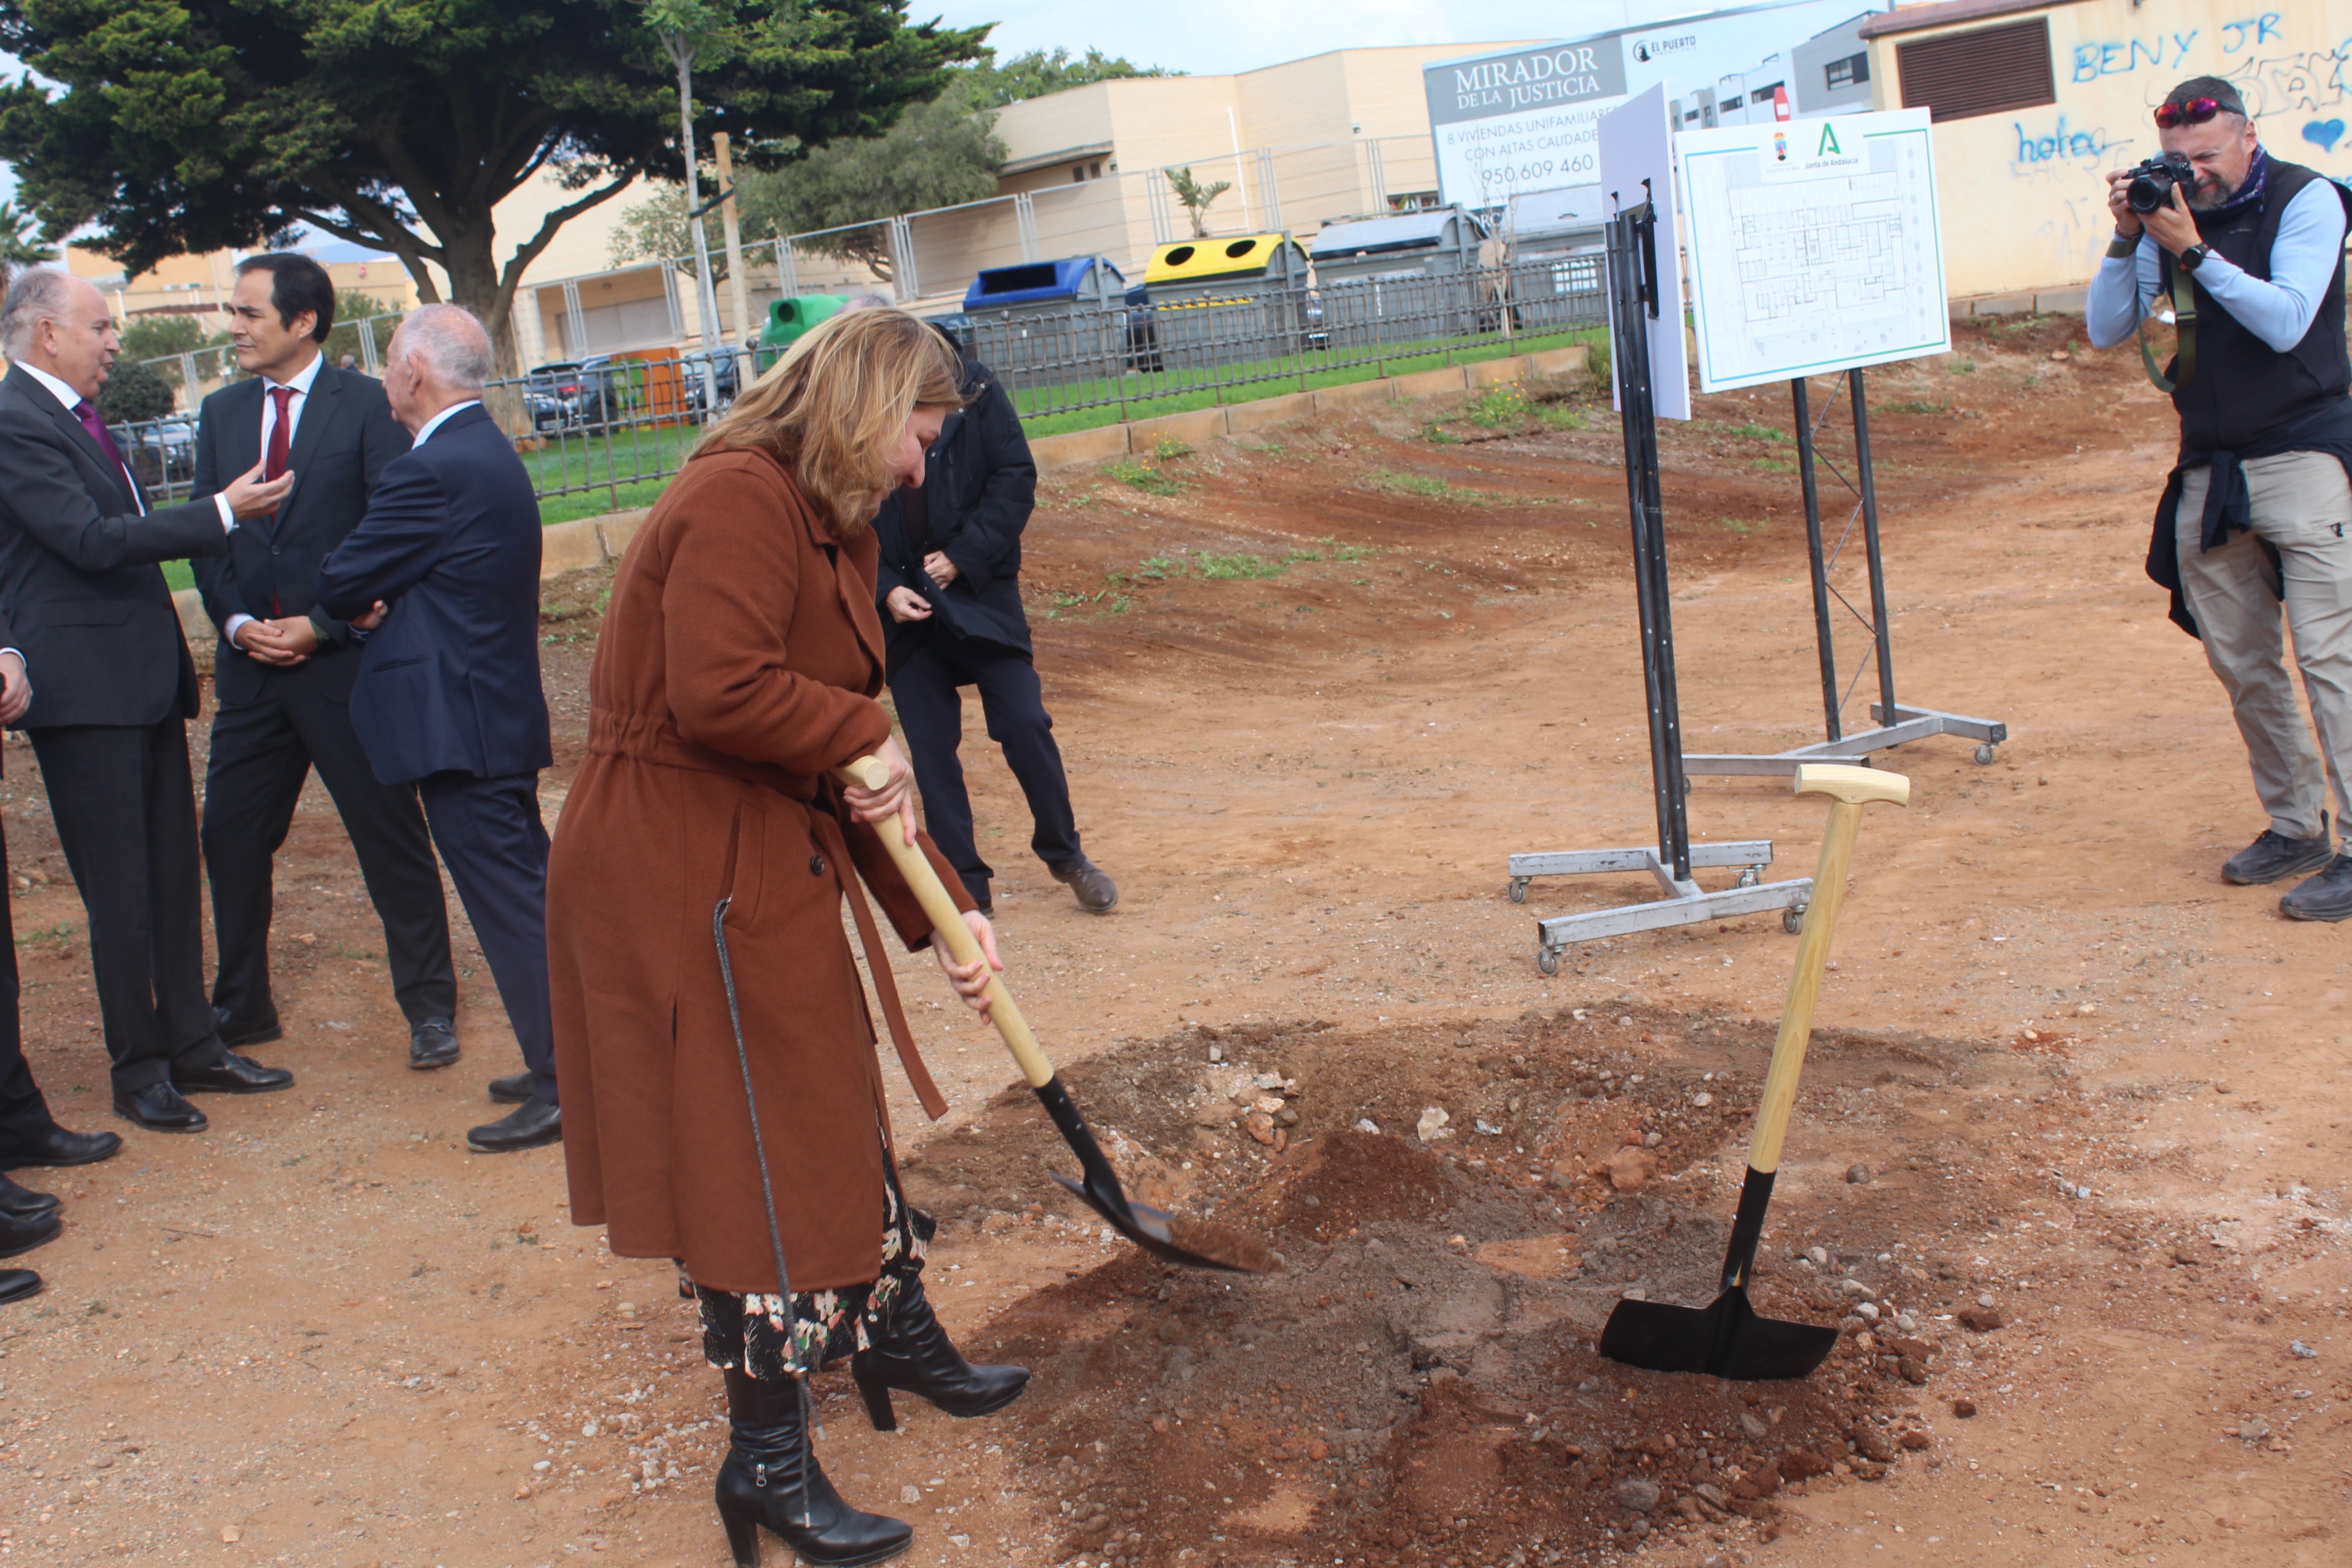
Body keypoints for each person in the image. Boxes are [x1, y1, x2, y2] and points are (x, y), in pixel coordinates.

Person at [549, 308, 1027, 1568]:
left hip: (758, 839)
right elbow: (727, 693)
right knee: (749, 1139)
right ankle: (764, 1463)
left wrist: (943, 904)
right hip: (675, 861)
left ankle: (890, 1329)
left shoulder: (834, 515)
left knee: (822, 1093)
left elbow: (833, 745)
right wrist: (867, 735)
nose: (928, 464)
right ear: (871, 409)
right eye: (921, 433)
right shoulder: (740, 498)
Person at [0, 268, 297, 1135]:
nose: (114, 342)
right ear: (48, 333)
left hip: (140, 683)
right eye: (100, 327)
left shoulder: (73, 418)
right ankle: (141, 1068)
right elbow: (90, 543)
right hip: (84, 695)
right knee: (121, 893)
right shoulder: (17, 422)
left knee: (171, 872)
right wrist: (220, 512)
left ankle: (195, 1045)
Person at [2090, 77, 2352, 922]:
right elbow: (2104, 328)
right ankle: (2293, 825)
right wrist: (2131, 234)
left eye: (2206, 157)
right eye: (2176, 161)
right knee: (2242, 662)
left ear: (2248, 138)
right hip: (2211, 462)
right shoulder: (2165, 214)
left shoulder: (2307, 199)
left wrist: (2194, 250)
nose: (2192, 173)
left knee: (2331, 660)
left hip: (2307, 451)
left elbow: (2287, 322)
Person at [192, 253, 461, 1072]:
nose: (232, 327)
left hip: (343, 666)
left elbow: (391, 526)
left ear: (302, 322)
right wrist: (239, 623)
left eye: (247, 313)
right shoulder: (219, 412)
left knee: (389, 839)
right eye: (233, 312)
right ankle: (242, 1005)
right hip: (250, 672)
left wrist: (321, 624)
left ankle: (429, 1007)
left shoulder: (366, 407)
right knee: (230, 836)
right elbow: (211, 540)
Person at [314, 304, 559, 1152]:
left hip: (460, 722)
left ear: (415, 372)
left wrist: (378, 595)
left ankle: (567, 1077)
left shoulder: (433, 468)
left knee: (513, 906)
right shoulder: (481, 449)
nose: (383, 376)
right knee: (528, 893)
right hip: (487, 709)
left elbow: (343, 578)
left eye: (387, 362)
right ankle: (560, 1058)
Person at [870, 323, 1117, 918]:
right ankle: (967, 887)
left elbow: (1014, 478)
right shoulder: (864, 411)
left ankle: (1066, 855)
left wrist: (964, 555)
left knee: (1026, 722)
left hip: (979, 591)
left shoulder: (976, 393)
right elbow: (841, 514)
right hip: (908, 612)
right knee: (932, 751)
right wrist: (886, 589)